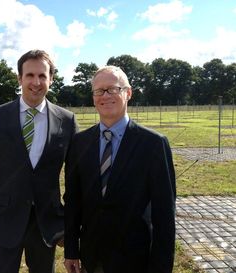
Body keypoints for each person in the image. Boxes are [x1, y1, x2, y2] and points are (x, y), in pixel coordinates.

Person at [0, 49, 78, 273]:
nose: (36, 82)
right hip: (4, 221)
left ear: (51, 79)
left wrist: (71, 226)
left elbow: (76, 179)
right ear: (20, 78)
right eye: (30, 75)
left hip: (46, 225)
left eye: (42, 75)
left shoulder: (67, 120)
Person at [63, 66, 176, 273]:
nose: (105, 96)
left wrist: (161, 267)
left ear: (128, 93)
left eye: (112, 89)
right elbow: (73, 200)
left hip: (136, 259)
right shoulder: (79, 143)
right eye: (99, 91)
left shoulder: (153, 144)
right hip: (92, 256)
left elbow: (164, 213)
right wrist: (71, 249)